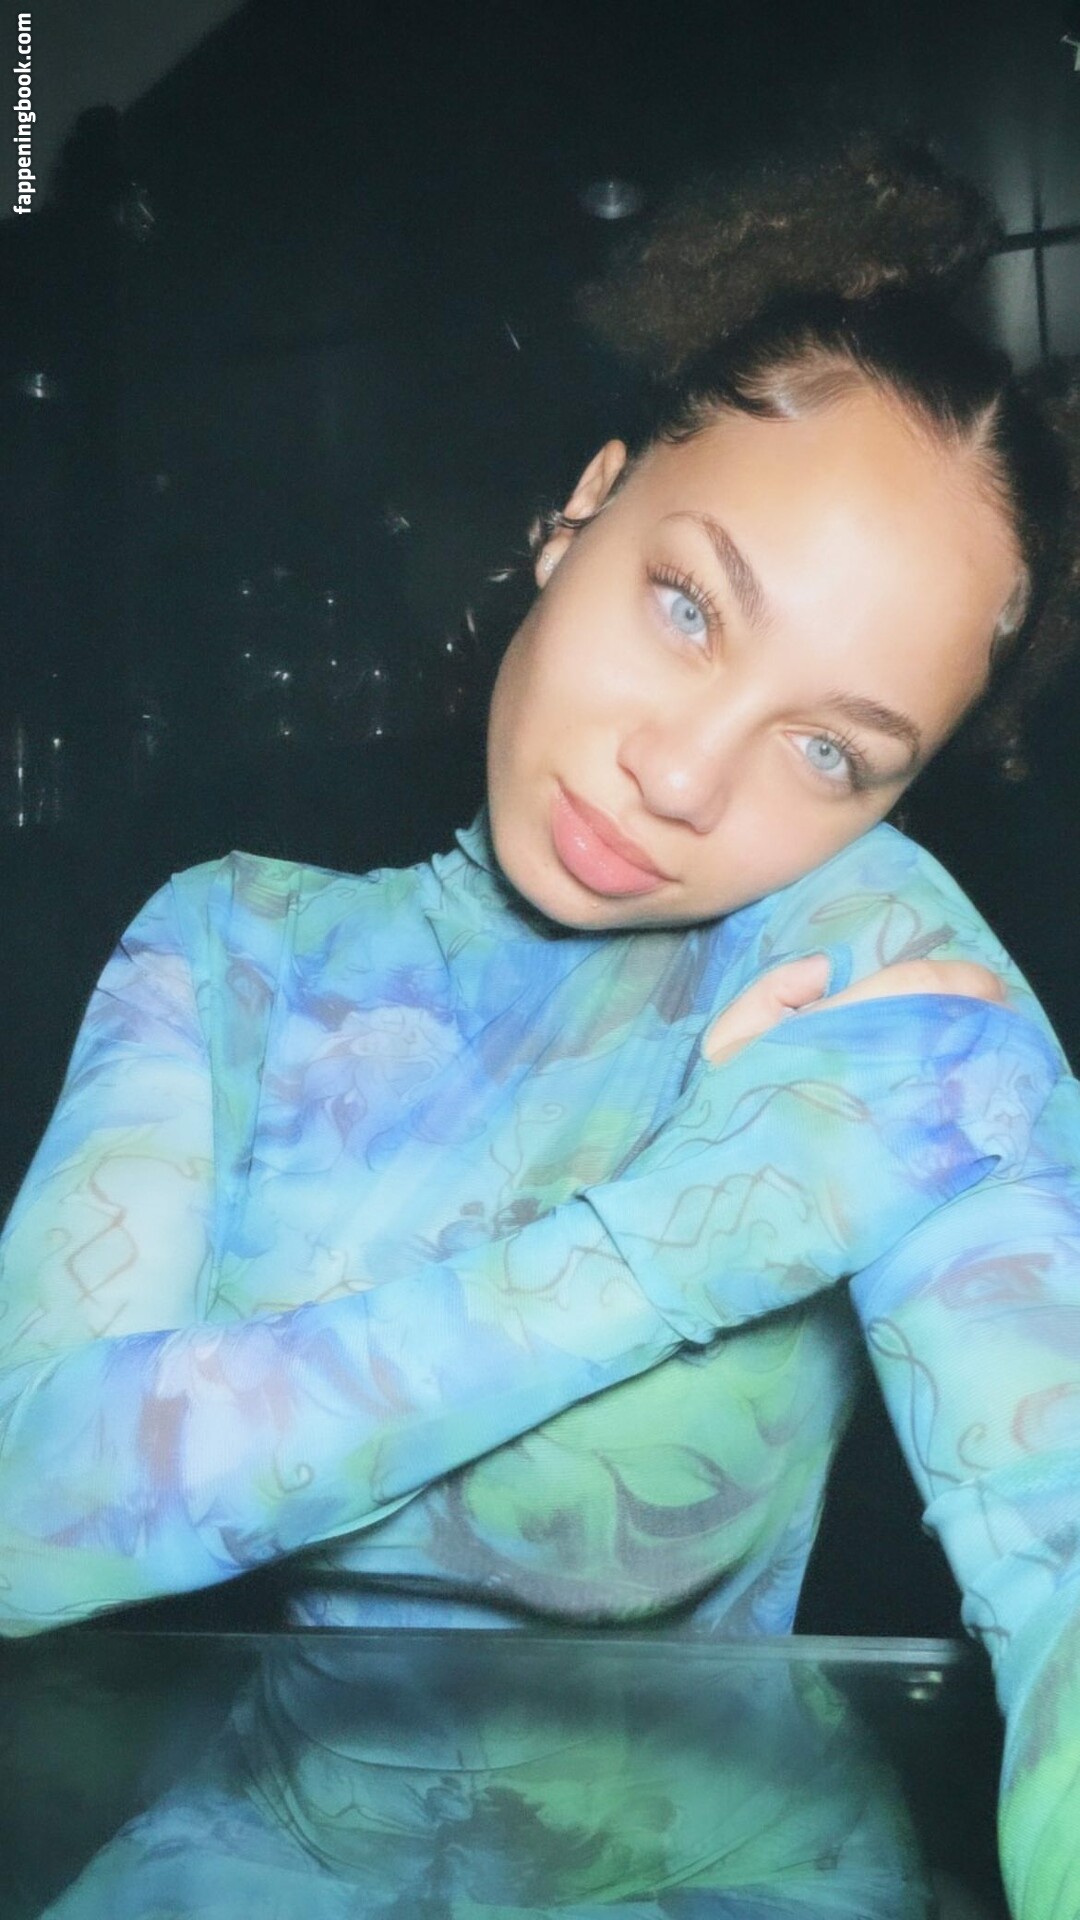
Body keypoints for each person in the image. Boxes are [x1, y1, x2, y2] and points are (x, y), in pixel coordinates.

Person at [2, 132, 1079, 1916]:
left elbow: (1062, 1549)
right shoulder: (234, 947)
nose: (683, 773)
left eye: (831, 750)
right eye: (688, 605)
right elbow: (22, 1506)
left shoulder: (870, 974)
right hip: (270, 1851)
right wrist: (675, 1243)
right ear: (582, 508)